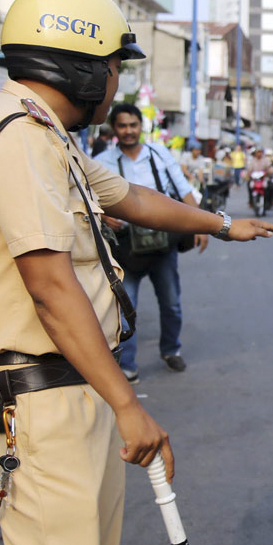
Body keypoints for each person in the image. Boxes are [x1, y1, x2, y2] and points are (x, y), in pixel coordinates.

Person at [0, 0, 273, 545]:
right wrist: (128, 404)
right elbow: (48, 284)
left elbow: (131, 196)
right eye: (114, 67)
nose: (117, 83)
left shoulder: (45, 134)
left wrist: (223, 224)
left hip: (72, 386)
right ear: (77, 66)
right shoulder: (16, 136)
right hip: (40, 395)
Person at [95, 103, 207, 383]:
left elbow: (183, 189)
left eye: (133, 125)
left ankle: (171, 350)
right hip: (125, 249)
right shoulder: (102, 161)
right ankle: (128, 365)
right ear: (114, 128)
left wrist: (204, 224)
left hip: (162, 244)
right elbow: (87, 198)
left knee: (171, 303)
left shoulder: (158, 154)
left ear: (140, 127)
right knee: (125, 307)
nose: (128, 131)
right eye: (122, 125)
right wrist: (105, 215)